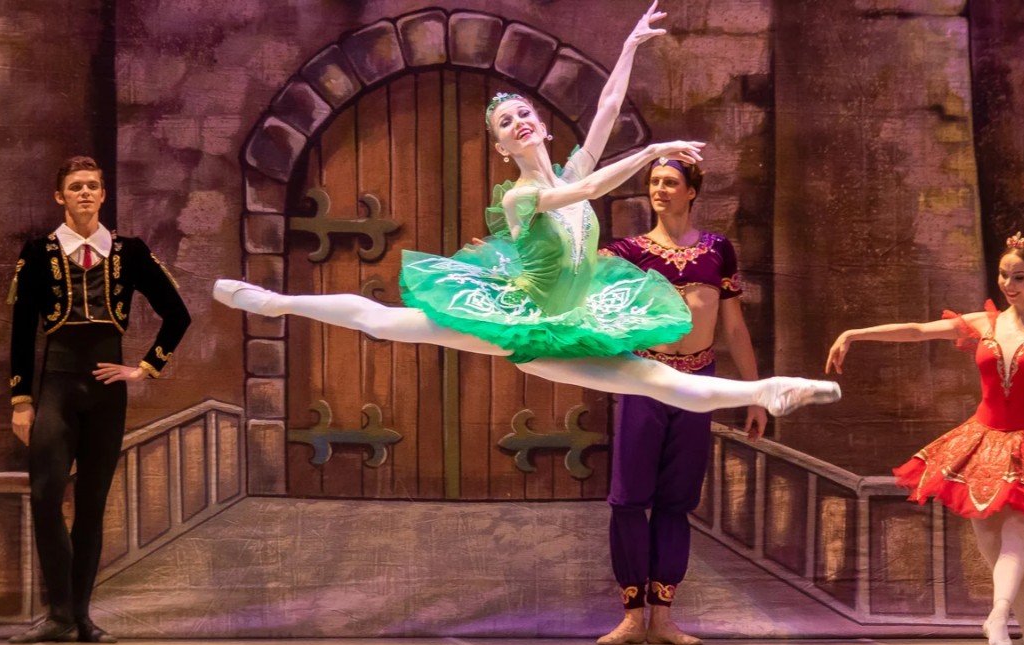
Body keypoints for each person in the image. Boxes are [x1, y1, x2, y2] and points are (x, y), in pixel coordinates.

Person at [213, 3, 840, 417]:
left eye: (524, 114)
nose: (519, 121)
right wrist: (651, 151)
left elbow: (604, 113)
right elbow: (586, 193)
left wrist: (628, 48)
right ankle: (276, 303)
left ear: (539, 125)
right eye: (506, 123)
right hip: (519, 319)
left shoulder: (570, 168)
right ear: (502, 147)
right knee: (384, 322)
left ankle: (766, 390)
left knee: (656, 382)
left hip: (578, 317)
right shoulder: (520, 196)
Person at [826, 233, 1024, 645]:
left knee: (1017, 531)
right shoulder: (985, 323)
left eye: (1019, 277)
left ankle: (997, 617)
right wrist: (856, 332)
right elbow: (919, 331)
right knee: (992, 543)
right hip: (982, 442)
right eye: (1003, 275)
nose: (1009, 284)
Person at [7, 156, 191, 644]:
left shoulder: (130, 252)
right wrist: (21, 400)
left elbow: (177, 314)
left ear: (103, 195)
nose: (85, 192)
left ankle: (81, 618)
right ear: (60, 196)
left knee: (91, 505)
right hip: (57, 386)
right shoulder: (39, 251)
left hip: (107, 392)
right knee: (46, 497)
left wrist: (145, 367)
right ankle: (59, 613)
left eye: (92, 186)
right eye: (76, 187)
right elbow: (22, 330)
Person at [594, 158, 762, 645]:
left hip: (696, 381)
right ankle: (632, 615)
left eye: (670, 183)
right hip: (645, 378)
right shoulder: (628, 252)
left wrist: (754, 394)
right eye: (654, 183)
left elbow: (734, 328)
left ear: (691, 192)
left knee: (677, 500)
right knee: (629, 499)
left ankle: (663, 619)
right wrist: (521, 251)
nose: (660, 190)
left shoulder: (717, 249)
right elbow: (569, 268)